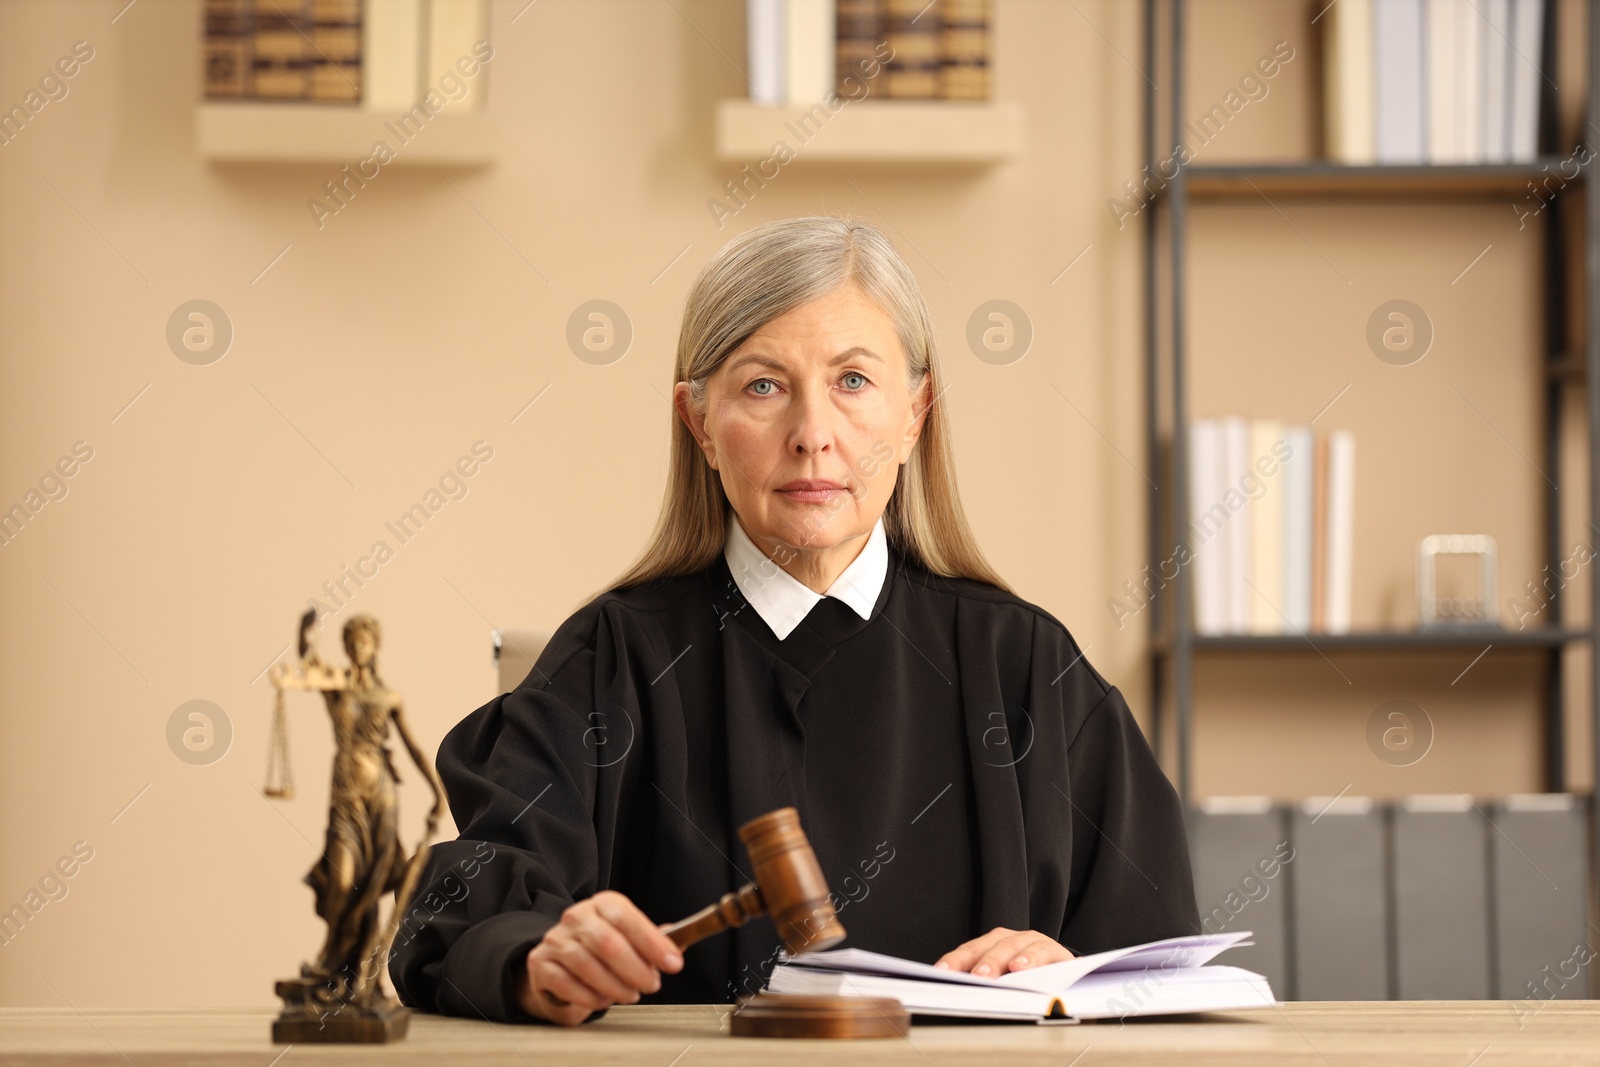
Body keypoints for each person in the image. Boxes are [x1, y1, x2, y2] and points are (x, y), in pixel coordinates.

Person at [388, 215, 1199, 1027]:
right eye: (764, 386)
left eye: (853, 381)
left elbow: (1157, 957)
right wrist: (540, 959)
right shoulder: (611, 661)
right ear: (698, 424)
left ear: (915, 412)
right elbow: (467, 903)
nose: (813, 437)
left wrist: (1071, 976)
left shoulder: (1029, 668)